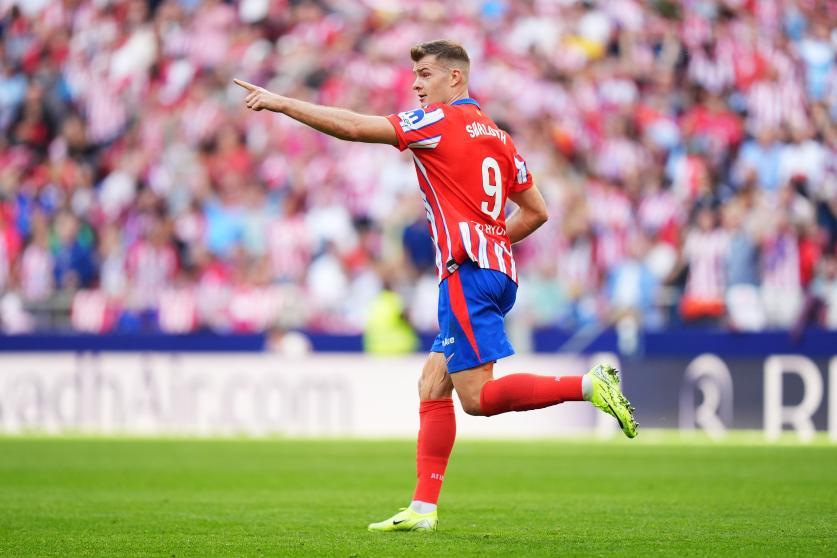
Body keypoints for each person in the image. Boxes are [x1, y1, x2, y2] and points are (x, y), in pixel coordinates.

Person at [234, 39, 637, 533]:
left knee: (477, 398)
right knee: (432, 382)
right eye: (415, 76)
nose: (417, 85)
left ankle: (589, 385)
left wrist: (282, 102)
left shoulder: (438, 122)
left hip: (466, 275)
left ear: (455, 78)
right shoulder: (499, 136)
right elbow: (538, 211)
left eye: (425, 74)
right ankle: (423, 508)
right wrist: (491, 240)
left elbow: (357, 128)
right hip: (493, 271)